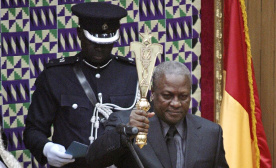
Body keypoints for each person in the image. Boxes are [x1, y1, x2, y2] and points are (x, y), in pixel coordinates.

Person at [23, 2, 139, 168]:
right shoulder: (56, 75)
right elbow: (33, 130)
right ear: (79, 33)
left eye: (106, 43)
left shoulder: (132, 74)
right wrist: (46, 148)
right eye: (94, 42)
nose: (100, 48)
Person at [86, 61, 229, 168]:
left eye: (183, 96)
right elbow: (93, 159)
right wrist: (125, 133)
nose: (176, 103)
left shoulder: (211, 133)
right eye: (167, 96)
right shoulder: (125, 123)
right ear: (153, 94)